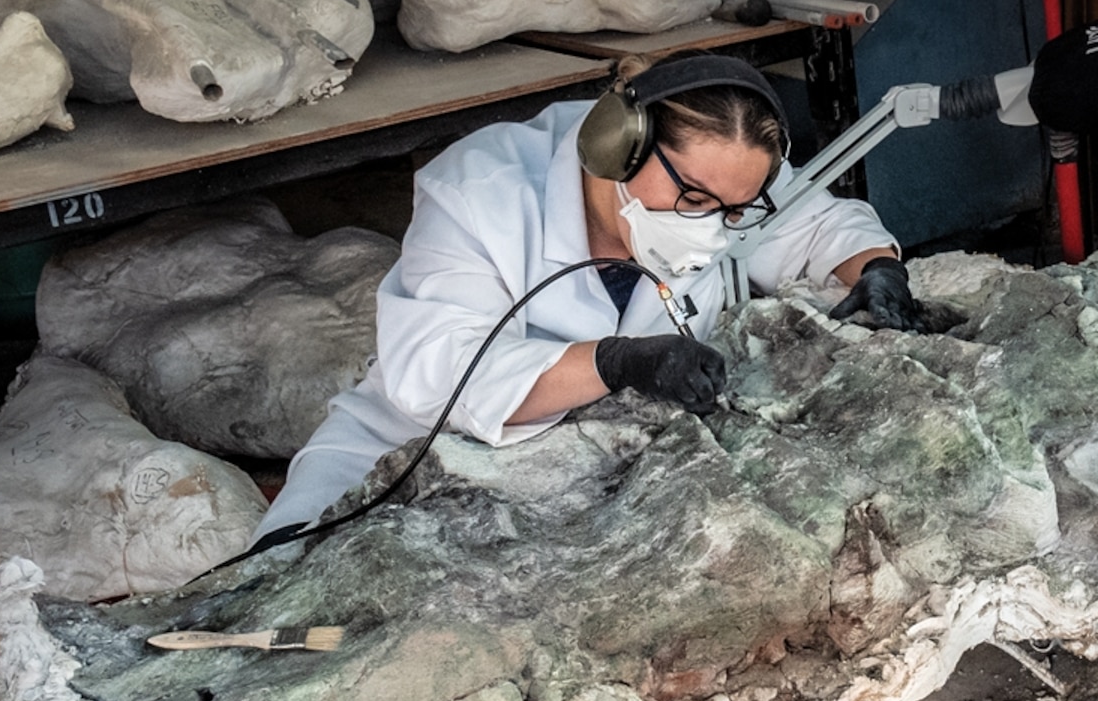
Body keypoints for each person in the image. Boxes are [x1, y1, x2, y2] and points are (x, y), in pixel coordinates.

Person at [255, 55, 923, 541]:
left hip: (581, 482)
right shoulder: (480, 192)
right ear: (619, 148)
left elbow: (818, 224)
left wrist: (874, 270)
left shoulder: (726, 176)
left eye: (734, 209)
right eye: (690, 199)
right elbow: (438, 376)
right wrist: (614, 363)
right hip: (394, 461)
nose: (710, 225)